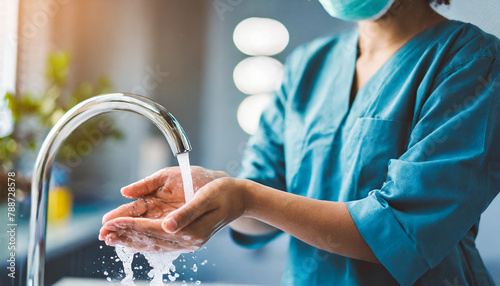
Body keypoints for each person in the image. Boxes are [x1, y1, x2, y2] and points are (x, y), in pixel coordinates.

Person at [99, 0, 500, 285]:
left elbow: (400, 231)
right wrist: (212, 199)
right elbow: (261, 210)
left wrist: (245, 197)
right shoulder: (309, 66)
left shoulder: (473, 62)